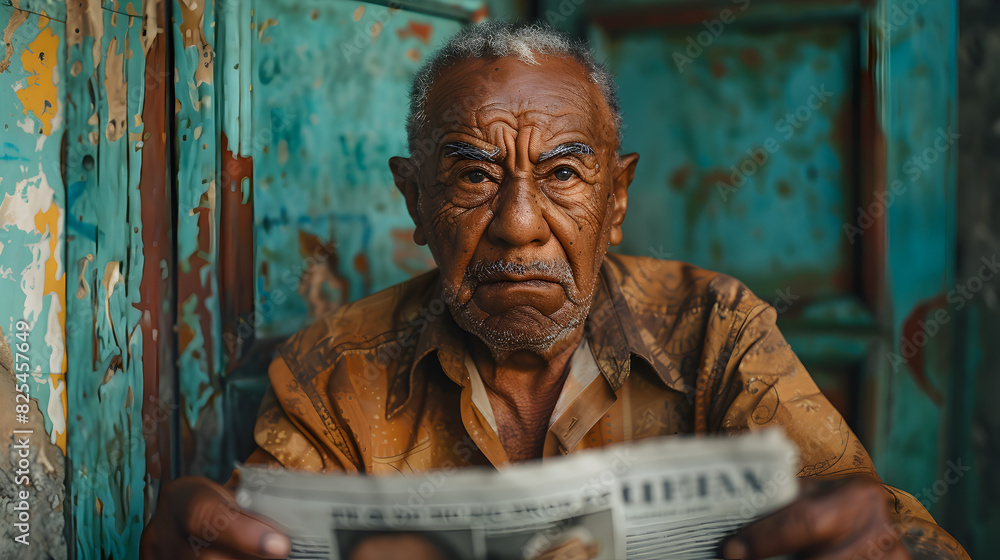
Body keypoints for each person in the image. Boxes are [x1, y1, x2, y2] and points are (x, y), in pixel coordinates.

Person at [140, 21, 970, 560]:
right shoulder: (335, 370)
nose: (519, 225)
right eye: (472, 174)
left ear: (616, 200)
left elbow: (894, 532)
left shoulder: (716, 331)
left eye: (564, 173)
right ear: (414, 201)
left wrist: (883, 548)